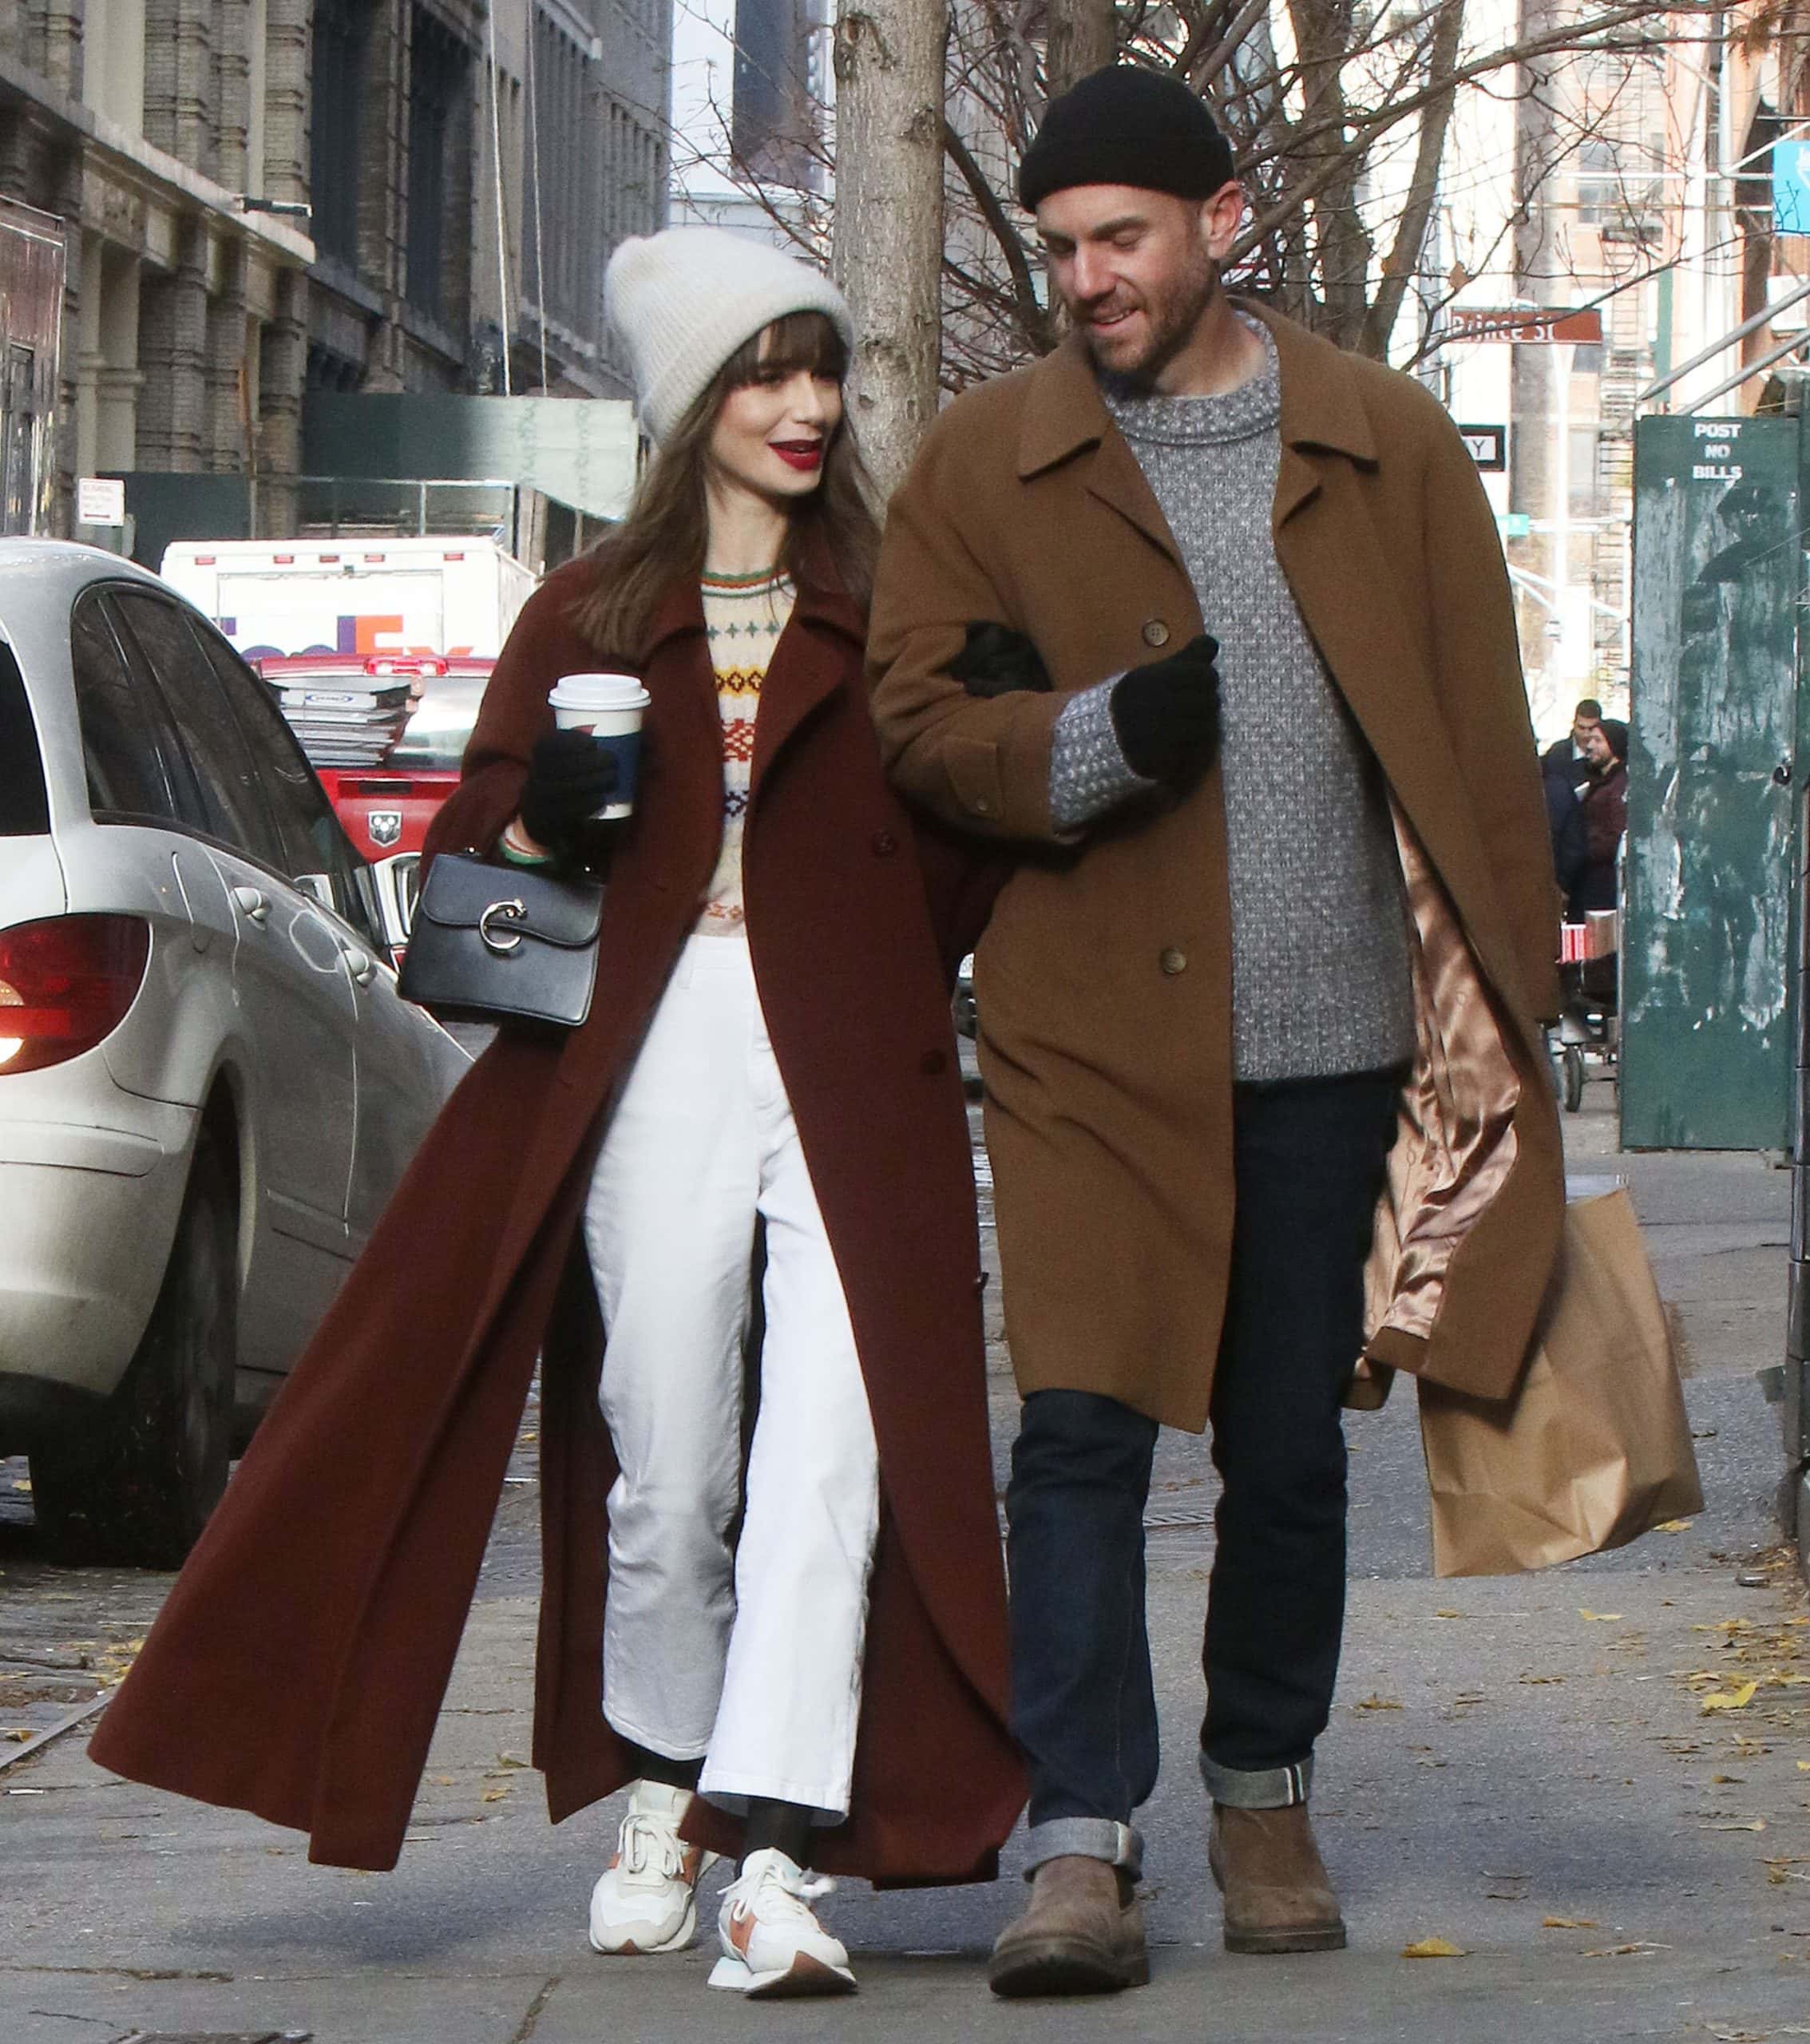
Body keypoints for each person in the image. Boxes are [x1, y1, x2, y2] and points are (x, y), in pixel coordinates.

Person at [90, 228, 1021, 1998]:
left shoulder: (896, 607)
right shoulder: (581, 620)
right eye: (762, 372)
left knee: (836, 1455)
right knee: (669, 1456)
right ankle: (662, 1781)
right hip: (652, 1047)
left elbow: (960, 853)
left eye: (819, 367)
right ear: (691, 406)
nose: (804, 404)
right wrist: (548, 827)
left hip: (860, 1071)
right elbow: (465, 887)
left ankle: (767, 1843)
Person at [868, 65, 1564, 1998]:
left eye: (1120, 239)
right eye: (1060, 245)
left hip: (1330, 1040)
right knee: (1076, 1431)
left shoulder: (1383, 442)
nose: (1084, 276)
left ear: (1219, 221)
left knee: (1282, 1446)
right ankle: (1074, 1836)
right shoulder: (980, 463)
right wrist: (1086, 740)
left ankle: (1260, 1787)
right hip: (1084, 1038)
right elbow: (911, 726)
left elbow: (1477, 759)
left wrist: (1493, 1035)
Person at [1568, 715, 1628, 919]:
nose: (1590, 745)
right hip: (1591, 881)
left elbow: (1617, 835)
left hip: (1602, 886)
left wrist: (1581, 850)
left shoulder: (1618, 786)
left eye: (1598, 740)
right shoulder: (1599, 782)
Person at [1543, 698, 1603, 792]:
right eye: (1581, 728)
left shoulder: (1608, 755)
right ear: (1574, 724)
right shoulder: (1557, 753)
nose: (1586, 734)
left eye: (1591, 728)